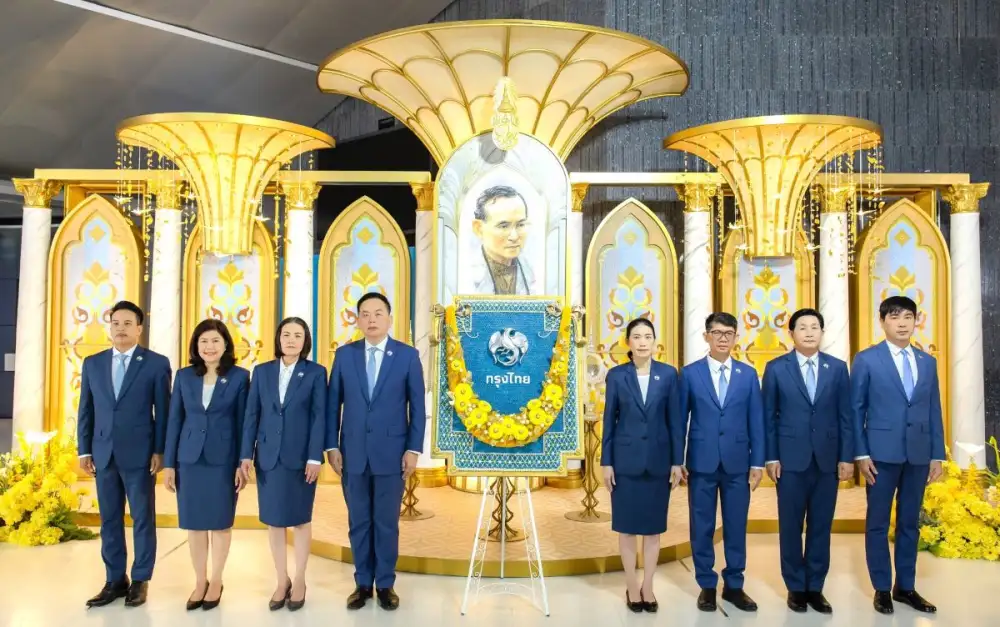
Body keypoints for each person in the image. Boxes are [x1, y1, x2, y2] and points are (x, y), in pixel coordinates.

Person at [326, 292, 426, 611]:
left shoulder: (407, 356)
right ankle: (361, 583)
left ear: (389, 319)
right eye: (365, 314)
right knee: (358, 521)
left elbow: (417, 407)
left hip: (392, 453)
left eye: (378, 313)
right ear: (357, 320)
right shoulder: (345, 355)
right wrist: (331, 445)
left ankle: (384, 584)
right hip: (351, 453)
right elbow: (332, 405)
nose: (371, 319)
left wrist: (413, 449)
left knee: (385, 522)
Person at [76, 300, 172, 609]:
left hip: (141, 455)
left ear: (139, 328)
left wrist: (160, 450)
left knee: (143, 518)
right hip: (103, 453)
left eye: (128, 323)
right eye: (116, 323)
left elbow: (164, 412)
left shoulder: (156, 364)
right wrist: (84, 449)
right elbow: (86, 410)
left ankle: (141, 579)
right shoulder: (93, 363)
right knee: (109, 520)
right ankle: (115, 579)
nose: (121, 329)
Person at [853, 295, 943, 615]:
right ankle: (881, 588)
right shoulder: (866, 360)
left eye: (908, 317)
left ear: (917, 320)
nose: (902, 323)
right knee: (877, 523)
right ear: (882, 322)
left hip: (918, 454)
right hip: (880, 455)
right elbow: (855, 410)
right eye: (894, 317)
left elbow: (933, 409)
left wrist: (937, 454)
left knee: (909, 523)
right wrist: (860, 452)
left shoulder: (927, 362)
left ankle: (905, 587)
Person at [762, 308, 853, 614]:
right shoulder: (776, 368)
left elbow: (845, 416)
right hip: (789, 460)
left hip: (827, 460)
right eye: (803, 327)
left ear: (822, 332)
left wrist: (846, 457)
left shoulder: (837, 368)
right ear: (791, 333)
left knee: (821, 526)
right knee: (790, 525)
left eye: (815, 327)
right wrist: (771, 456)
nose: (810, 332)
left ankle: (815, 586)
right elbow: (768, 417)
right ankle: (795, 587)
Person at [679, 312, 764, 613]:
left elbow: (757, 421)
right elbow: (679, 420)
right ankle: (706, 584)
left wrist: (758, 463)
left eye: (729, 333)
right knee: (701, 524)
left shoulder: (748, 375)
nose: (723, 338)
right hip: (701, 462)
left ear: (736, 337)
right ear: (706, 336)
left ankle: (734, 585)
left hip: (738, 462)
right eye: (717, 333)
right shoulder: (690, 374)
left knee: (736, 524)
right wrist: (678, 459)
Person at [240, 317, 327, 612]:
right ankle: (282, 580)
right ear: (278, 339)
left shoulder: (315, 373)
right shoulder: (262, 371)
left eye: (297, 335)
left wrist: (315, 457)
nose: (291, 340)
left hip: (301, 459)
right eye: (286, 334)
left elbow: (319, 417)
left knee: (300, 520)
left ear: (305, 341)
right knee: (274, 521)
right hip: (268, 457)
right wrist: (246, 454)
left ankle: (300, 579)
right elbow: (251, 415)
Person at [163, 319, 250, 611]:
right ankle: (199, 581)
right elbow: (174, 421)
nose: (209, 347)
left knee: (220, 522)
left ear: (226, 345)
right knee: (196, 524)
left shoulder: (240, 377)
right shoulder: (184, 376)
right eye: (203, 341)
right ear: (195, 346)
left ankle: (216, 580)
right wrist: (169, 464)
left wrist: (241, 462)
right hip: (189, 460)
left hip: (223, 460)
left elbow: (244, 423)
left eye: (215, 341)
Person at [600, 318, 683, 613]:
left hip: (658, 462)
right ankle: (632, 586)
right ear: (628, 342)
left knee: (652, 529)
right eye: (637, 336)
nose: (643, 342)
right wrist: (606, 462)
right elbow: (609, 421)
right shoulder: (616, 376)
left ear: (655, 342)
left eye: (648, 336)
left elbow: (675, 422)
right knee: (626, 529)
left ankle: (648, 586)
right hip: (625, 463)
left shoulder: (669, 374)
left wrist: (677, 461)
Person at [465, 185, 538, 295]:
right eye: (504, 226)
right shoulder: (466, 274)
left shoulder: (532, 272)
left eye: (520, 225)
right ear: (479, 228)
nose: (514, 236)